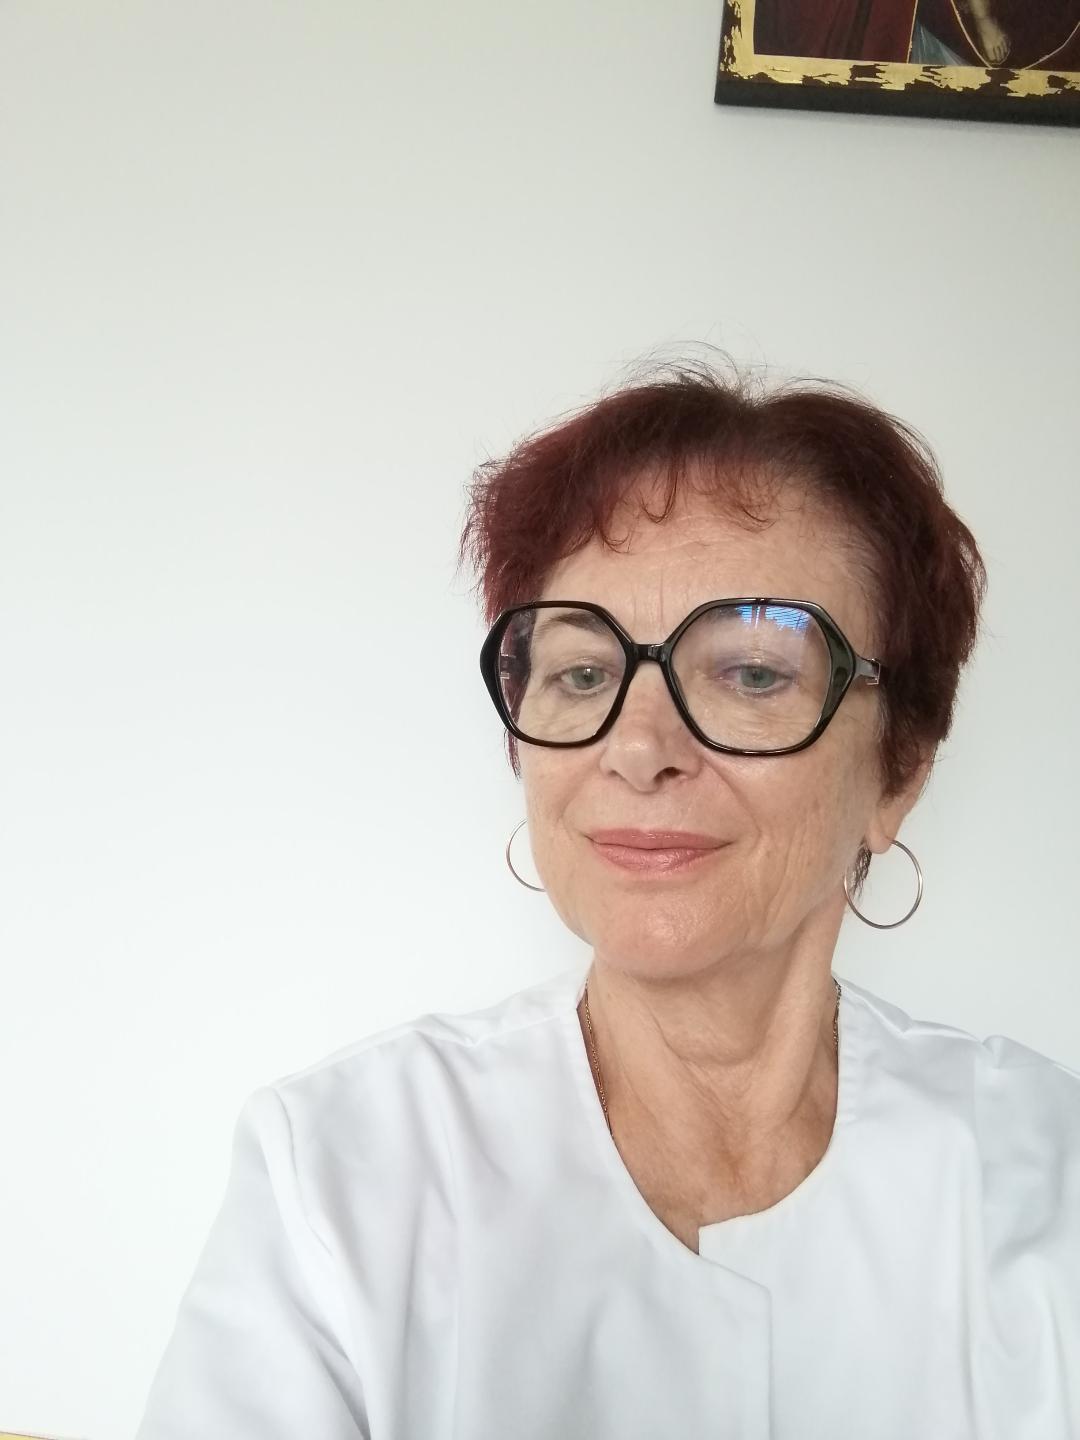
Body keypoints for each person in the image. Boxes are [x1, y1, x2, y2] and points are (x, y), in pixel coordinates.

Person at [135, 363, 1080, 1438]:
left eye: (751, 673)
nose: (637, 748)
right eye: (584, 675)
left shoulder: (1045, 1173)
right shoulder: (339, 1172)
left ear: (899, 770)